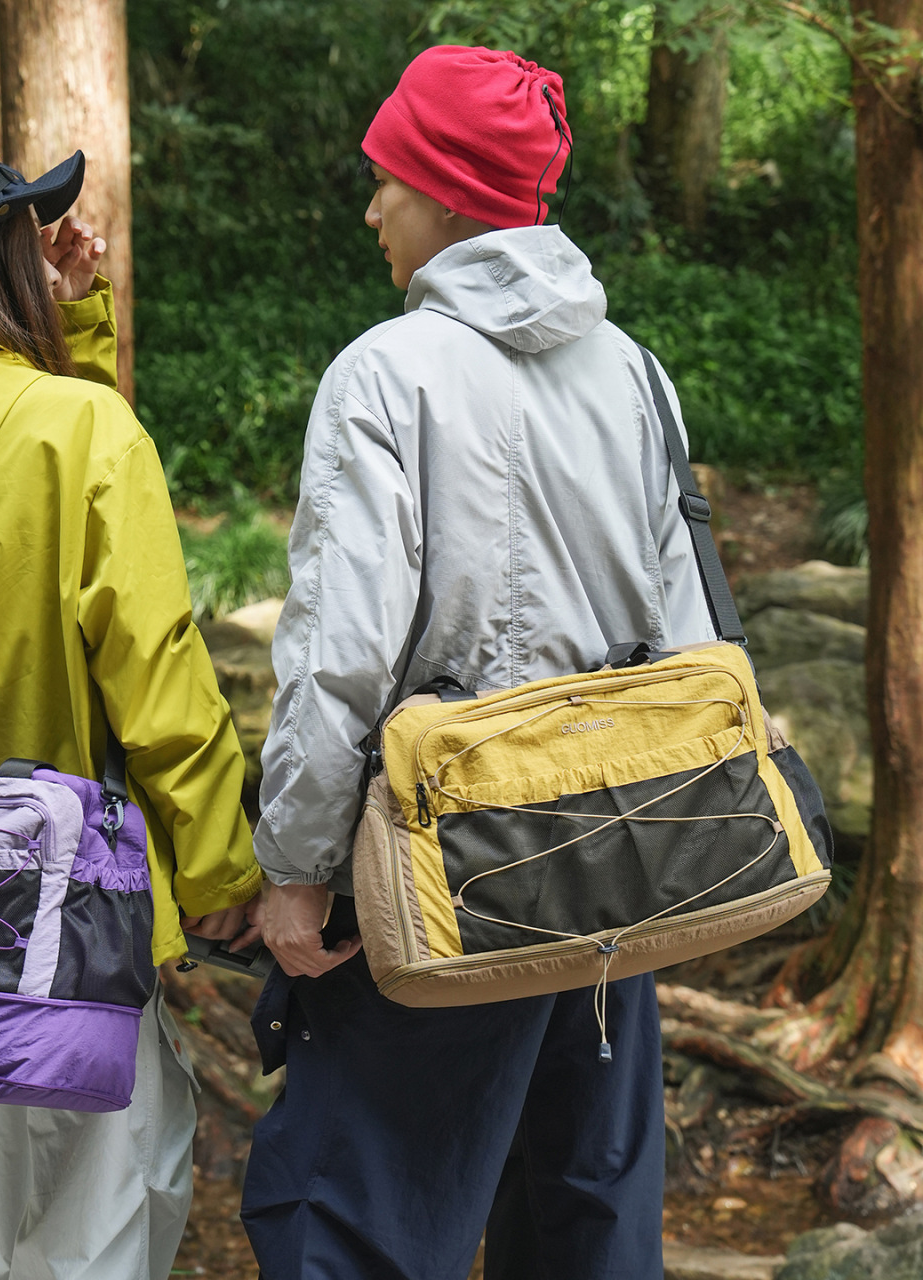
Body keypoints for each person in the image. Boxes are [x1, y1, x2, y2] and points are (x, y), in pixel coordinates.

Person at [241, 47, 716, 1280]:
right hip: (614, 869)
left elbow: (341, 655)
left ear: (447, 194)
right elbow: (686, 637)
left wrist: (293, 868)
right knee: (581, 1220)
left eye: (386, 180)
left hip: (443, 869)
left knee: (352, 1222)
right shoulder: (633, 372)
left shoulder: (385, 373)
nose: (371, 210)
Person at [0, 138, 263, 1280]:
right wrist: (223, 872)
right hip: (87, 896)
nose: (53, 243)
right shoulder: (81, 431)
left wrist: (69, 321)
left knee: (0, 1206)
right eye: (26, 232)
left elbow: (22, 463)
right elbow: (156, 670)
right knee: (108, 1210)